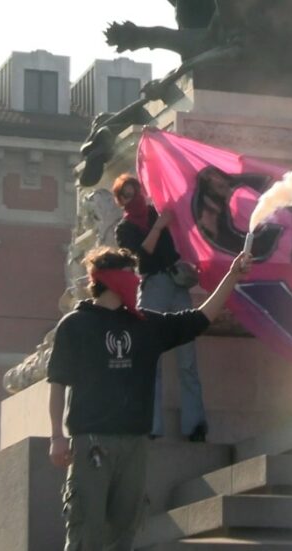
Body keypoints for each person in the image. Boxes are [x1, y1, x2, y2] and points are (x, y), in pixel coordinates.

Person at [47, 245, 251, 550]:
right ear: (112, 279)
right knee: (85, 530)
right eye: (131, 276)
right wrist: (56, 437)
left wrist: (233, 275)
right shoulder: (76, 325)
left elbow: (198, 319)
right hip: (91, 441)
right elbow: (57, 383)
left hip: (135, 444)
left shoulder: (145, 325)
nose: (137, 282)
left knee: (125, 532)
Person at [112, 174, 207, 441]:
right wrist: (158, 227)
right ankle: (152, 425)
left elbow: (183, 210)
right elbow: (141, 257)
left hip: (177, 283)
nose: (133, 198)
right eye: (126, 195)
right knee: (151, 359)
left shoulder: (156, 212)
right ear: (120, 201)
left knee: (188, 359)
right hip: (152, 286)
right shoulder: (124, 228)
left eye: (135, 191)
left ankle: (195, 425)